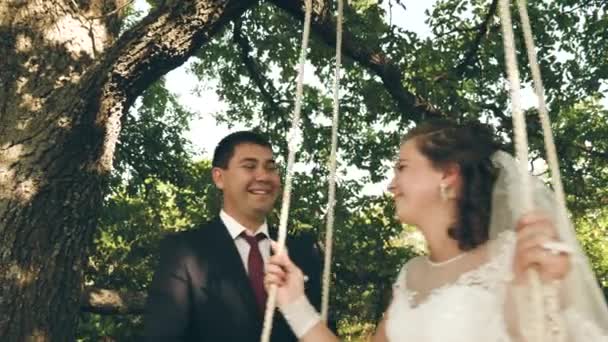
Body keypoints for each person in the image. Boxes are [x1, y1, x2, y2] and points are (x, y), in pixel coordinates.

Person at [265, 120, 608, 341]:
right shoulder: (410, 275)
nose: (391, 185)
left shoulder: (515, 256)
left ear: (447, 175)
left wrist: (528, 294)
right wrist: (294, 301)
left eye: (402, 167)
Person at [142, 131, 324, 341]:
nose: (263, 176)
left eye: (270, 167)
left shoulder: (302, 252)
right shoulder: (184, 252)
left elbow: (323, 328)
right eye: (249, 166)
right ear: (219, 178)